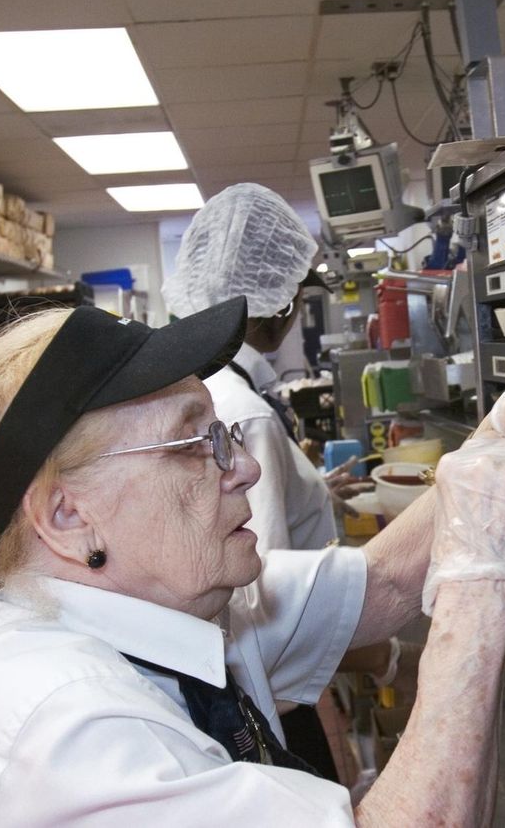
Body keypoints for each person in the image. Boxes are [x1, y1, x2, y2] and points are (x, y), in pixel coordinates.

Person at [0, 296, 505, 825]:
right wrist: (483, 588)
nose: (244, 467)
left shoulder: (162, 608)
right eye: (196, 440)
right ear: (67, 514)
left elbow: (383, 582)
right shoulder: (62, 738)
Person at [162, 184, 382, 781]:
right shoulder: (246, 411)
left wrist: (316, 494)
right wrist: (385, 659)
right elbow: (263, 578)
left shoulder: (205, 385)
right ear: (279, 306)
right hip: (273, 681)